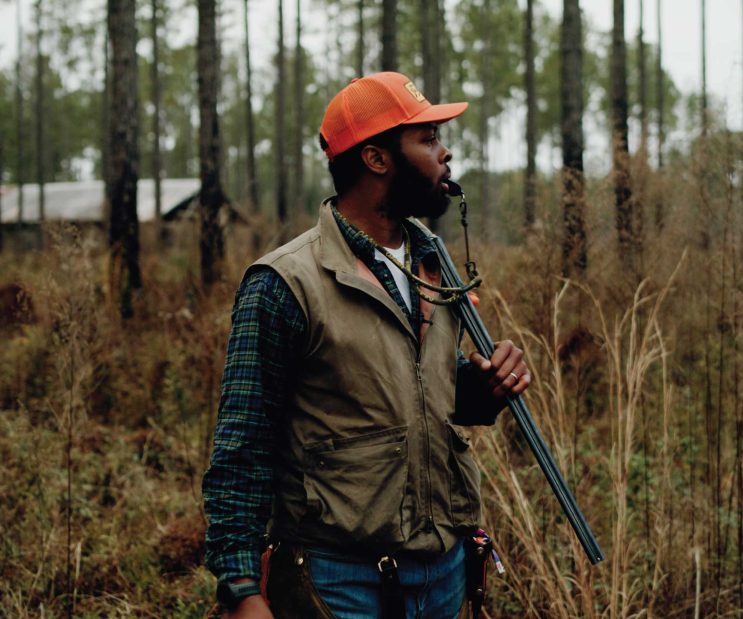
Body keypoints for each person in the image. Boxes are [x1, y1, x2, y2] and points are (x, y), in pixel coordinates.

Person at [202, 71, 531, 619]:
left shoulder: (434, 265)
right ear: (377, 160)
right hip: (338, 581)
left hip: (443, 569)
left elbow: (425, 398)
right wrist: (241, 590)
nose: (445, 154)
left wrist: (485, 387)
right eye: (427, 139)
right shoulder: (283, 284)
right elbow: (243, 445)